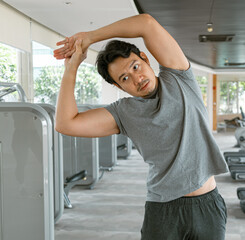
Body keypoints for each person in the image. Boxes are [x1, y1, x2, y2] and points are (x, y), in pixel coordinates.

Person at [54, 13, 228, 240]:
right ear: (119, 86)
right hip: (163, 211)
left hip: (207, 207)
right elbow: (65, 124)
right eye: (124, 78)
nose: (136, 78)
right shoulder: (123, 112)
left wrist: (90, 37)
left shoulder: (179, 78)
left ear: (145, 58)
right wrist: (72, 67)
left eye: (135, 66)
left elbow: (145, 23)